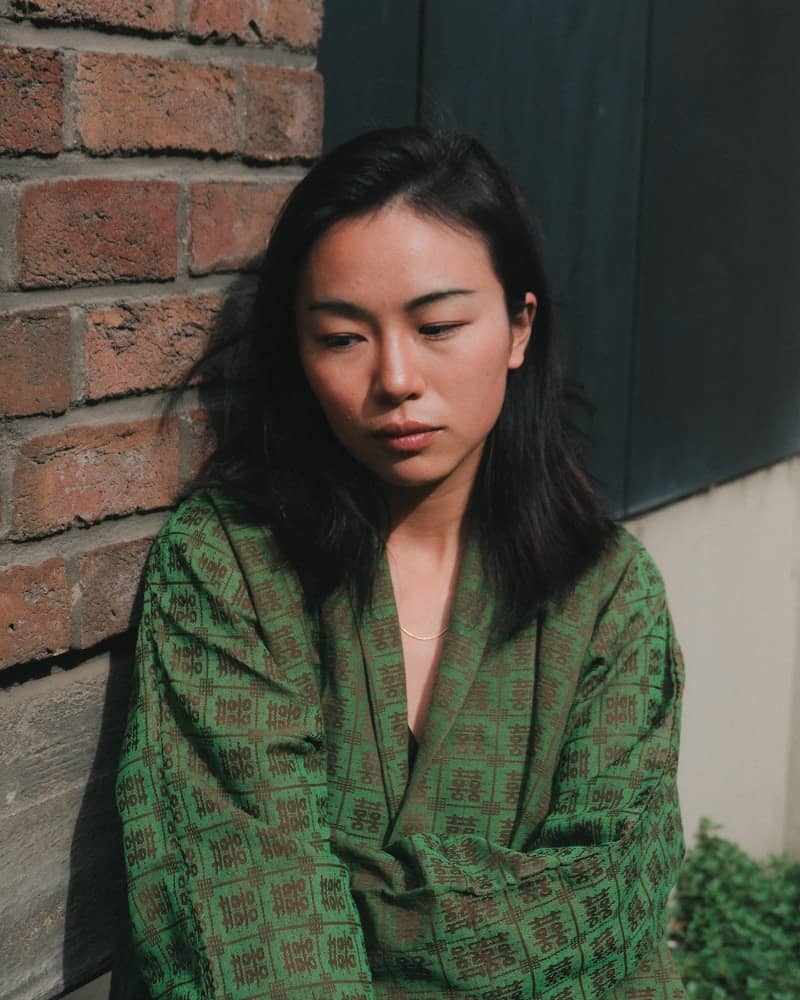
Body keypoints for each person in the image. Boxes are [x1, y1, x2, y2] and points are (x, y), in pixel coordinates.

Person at [114, 126, 686, 999]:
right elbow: (248, 929)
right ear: (299, 356)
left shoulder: (607, 595)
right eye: (342, 338)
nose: (395, 378)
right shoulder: (231, 567)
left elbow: (611, 906)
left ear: (518, 327)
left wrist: (340, 886)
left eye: (439, 325)